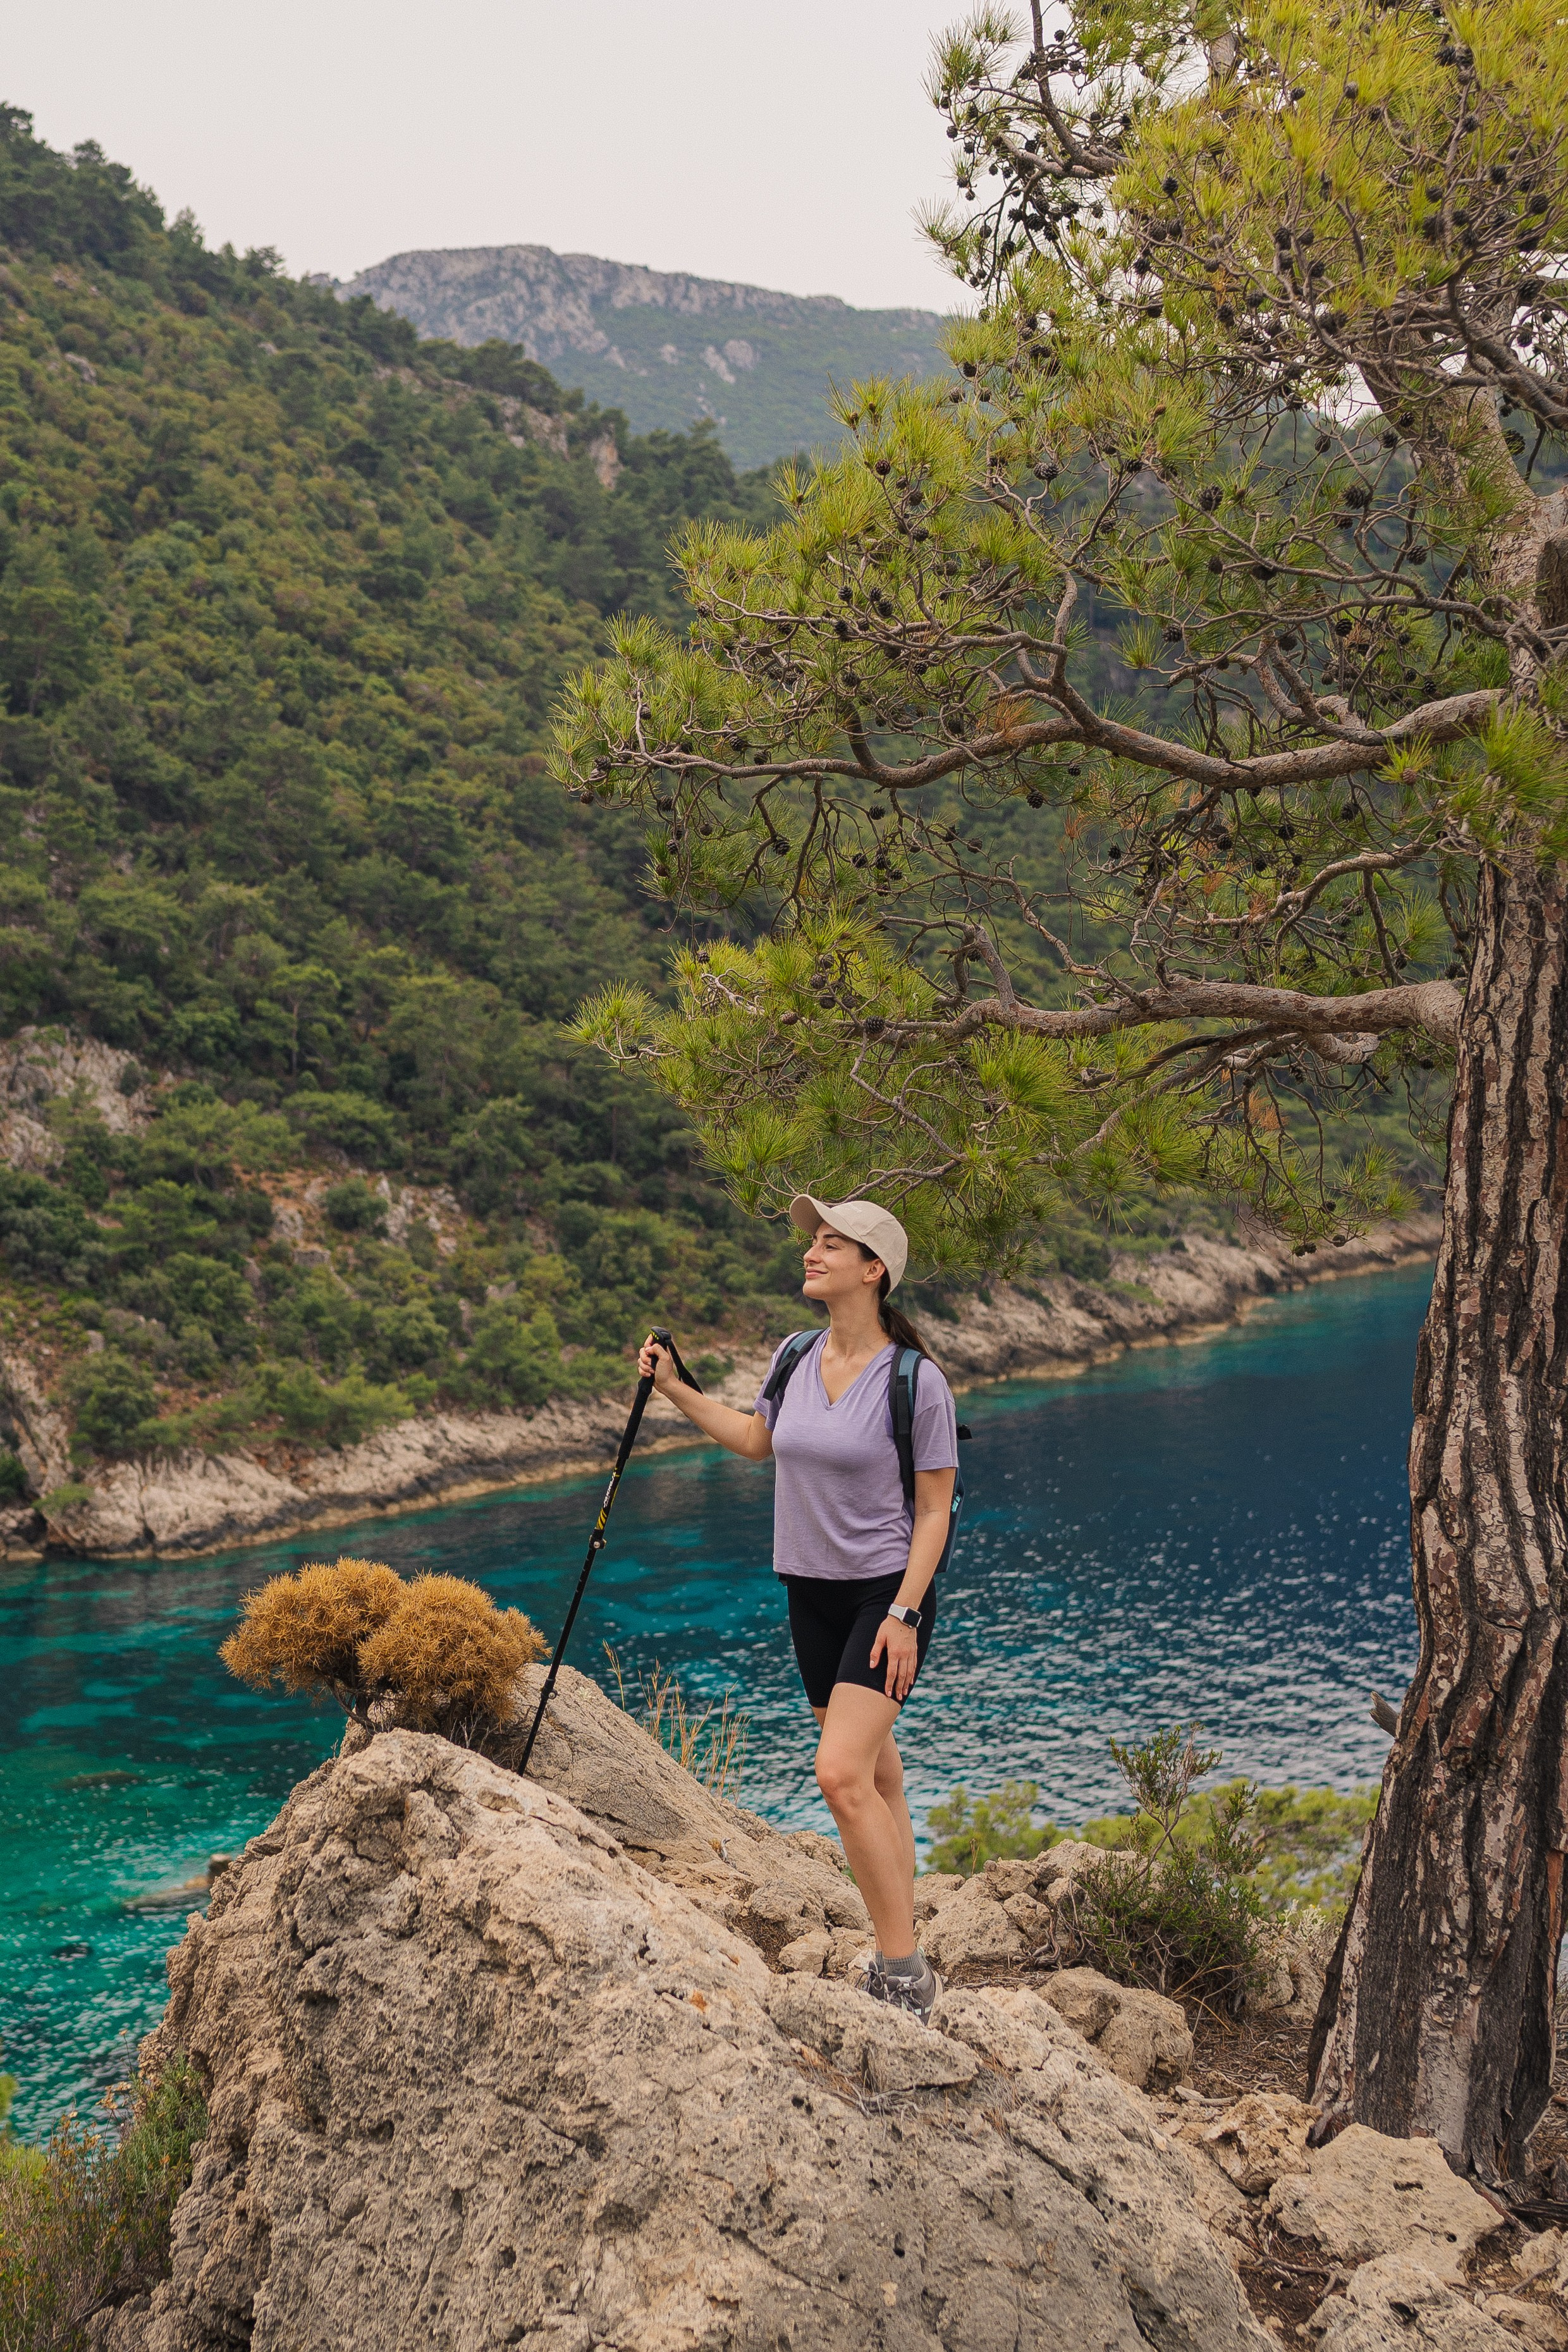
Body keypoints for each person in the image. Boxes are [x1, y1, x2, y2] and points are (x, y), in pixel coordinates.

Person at [637, 1191, 958, 2023]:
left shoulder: (916, 1382)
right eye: (812, 1240)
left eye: (831, 1243)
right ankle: (907, 1930)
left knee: (839, 1774)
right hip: (808, 1590)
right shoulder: (794, 1355)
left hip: (884, 1596)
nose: (811, 1252)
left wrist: (906, 1615)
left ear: (874, 1269)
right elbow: (757, 1441)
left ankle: (904, 1972)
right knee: (877, 1772)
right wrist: (673, 1389)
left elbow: (934, 1511)